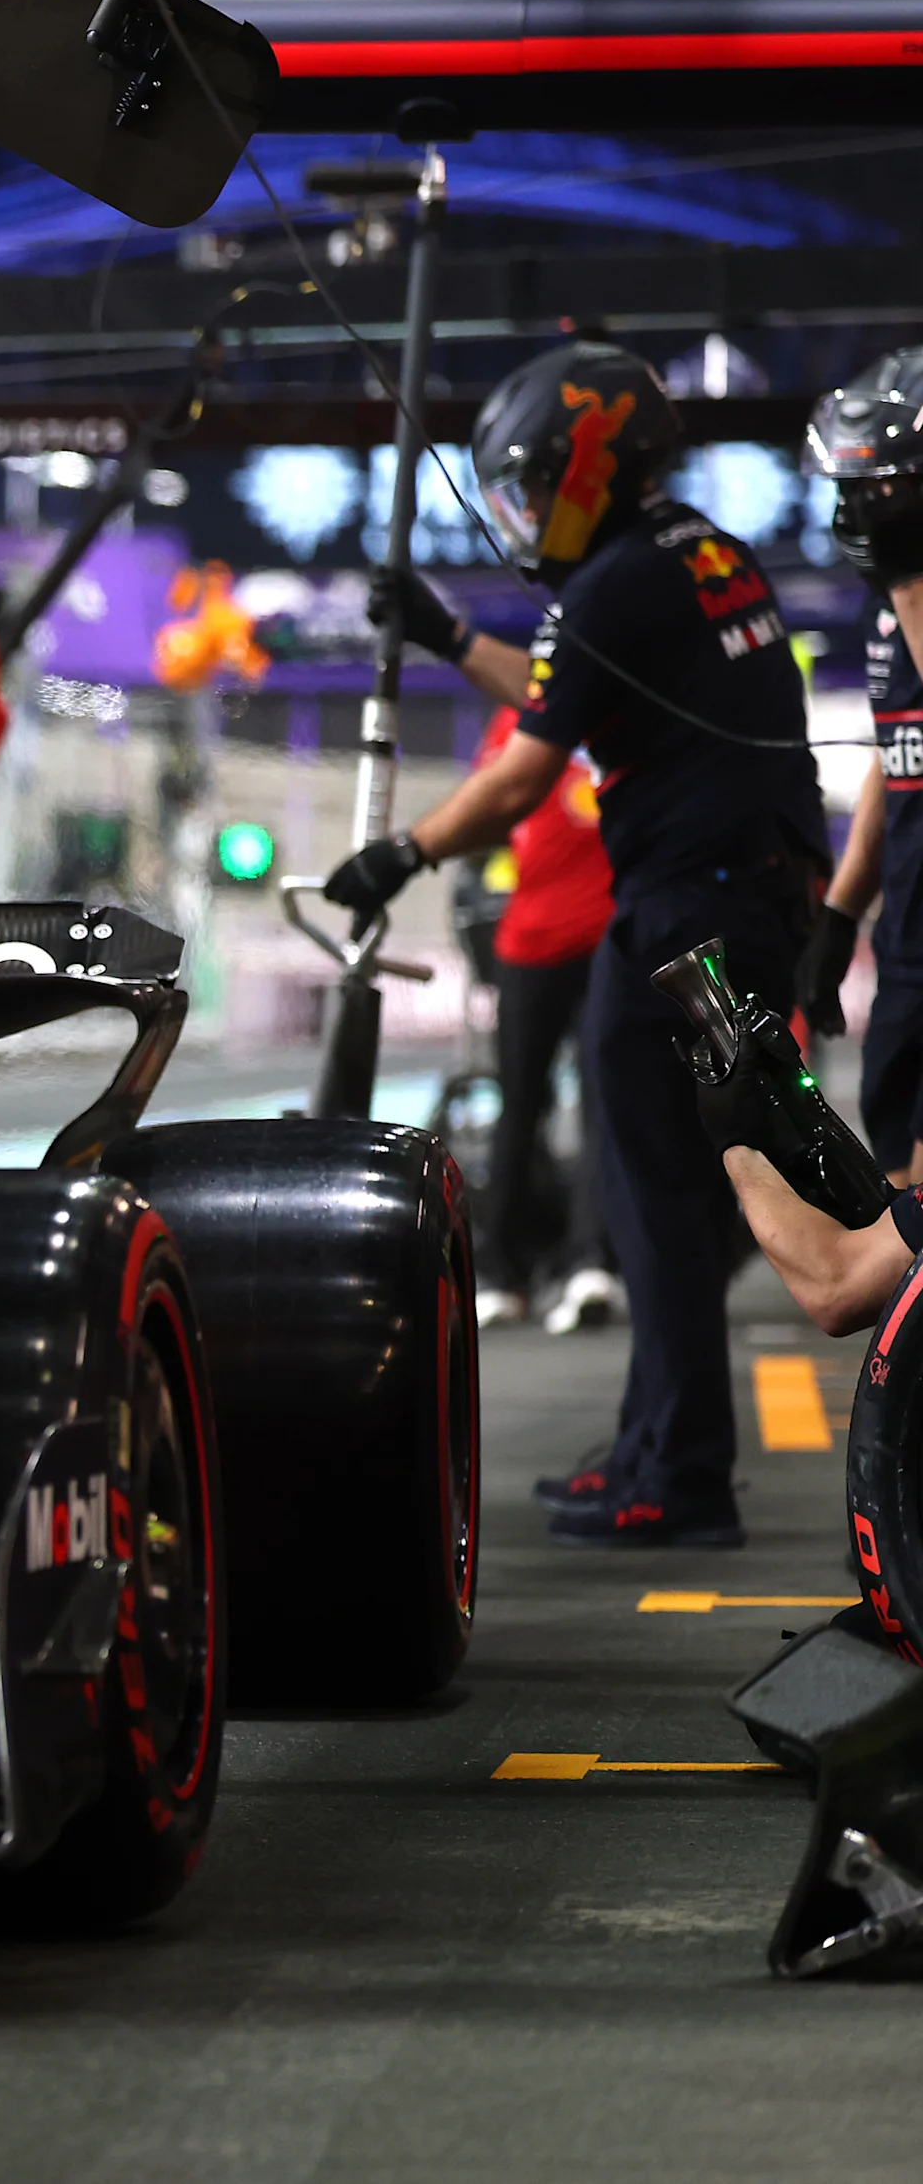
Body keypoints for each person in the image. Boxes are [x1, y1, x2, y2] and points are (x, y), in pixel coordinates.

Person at [332, 341, 827, 1548]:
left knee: (652, 1195)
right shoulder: (696, 548)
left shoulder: (609, 582)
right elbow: (569, 690)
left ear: (579, 472)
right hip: (736, 902)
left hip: (681, 914)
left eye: (519, 489)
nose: (512, 517)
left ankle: (680, 1472)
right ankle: (653, 1443)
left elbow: (519, 774)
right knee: (666, 1188)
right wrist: (450, 637)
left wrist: (399, 853)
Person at [457, 700, 623, 1334]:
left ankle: (589, 1264)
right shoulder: (510, 720)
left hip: (609, 943)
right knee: (519, 1108)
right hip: (528, 946)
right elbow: (488, 811)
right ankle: (500, 1271)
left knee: (603, 1108)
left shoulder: (622, 710)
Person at [801, 347, 923, 1183]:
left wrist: (910, 584)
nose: (860, 509)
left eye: (882, 487)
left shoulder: (907, 593)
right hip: (908, 947)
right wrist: (841, 913)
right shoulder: (892, 601)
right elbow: (900, 751)